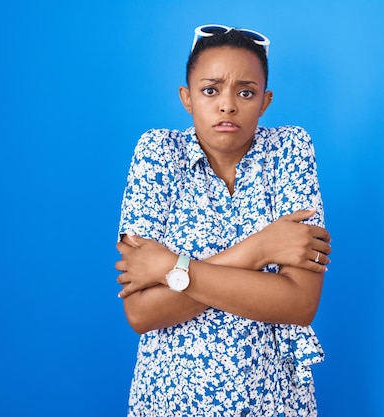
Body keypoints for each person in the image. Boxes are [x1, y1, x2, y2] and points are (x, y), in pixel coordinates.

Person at [115, 24, 331, 416]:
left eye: (245, 92)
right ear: (187, 97)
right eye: (210, 90)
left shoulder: (290, 149)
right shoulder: (158, 153)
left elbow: (299, 303)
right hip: (171, 400)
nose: (227, 105)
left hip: (275, 400)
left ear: (265, 102)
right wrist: (260, 248)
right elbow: (142, 313)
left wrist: (170, 268)